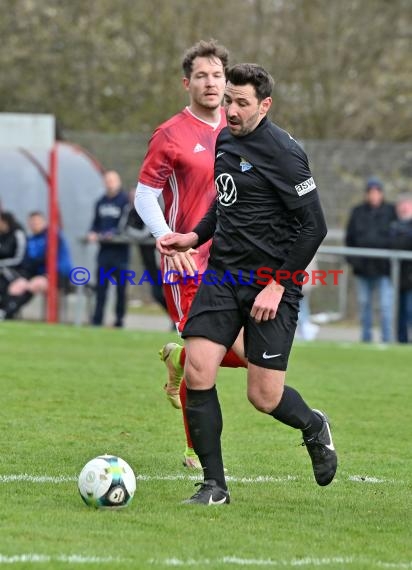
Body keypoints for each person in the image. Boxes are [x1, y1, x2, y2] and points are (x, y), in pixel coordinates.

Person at [158, 63, 337, 505]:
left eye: (241, 103)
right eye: (228, 101)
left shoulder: (284, 153)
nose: (231, 110)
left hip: (270, 285)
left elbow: (314, 226)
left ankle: (314, 426)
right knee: (198, 366)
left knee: (264, 395)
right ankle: (214, 487)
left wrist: (278, 284)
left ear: (265, 105)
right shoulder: (224, 138)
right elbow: (224, 203)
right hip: (222, 275)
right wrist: (194, 236)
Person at [135, 39, 247, 470]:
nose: (211, 82)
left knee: (251, 356)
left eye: (217, 74)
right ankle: (194, 452)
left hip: (233, 263)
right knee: (207, 360)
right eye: (201, 75)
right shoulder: (171, 134)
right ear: (187, 83)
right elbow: (145, 195)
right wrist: (166, 237)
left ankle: (177, 358)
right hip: (187, 262)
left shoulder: (240, 130)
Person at [345, 177, 397, 343]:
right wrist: (355, 262)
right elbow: (350, 239)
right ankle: (366, 339)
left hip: (384, 269)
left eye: (377, 192)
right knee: (364, 305)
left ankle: (386, 339)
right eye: (371, 192)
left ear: (381, 194)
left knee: (385, 306)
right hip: (363, 269)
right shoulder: (358, 212)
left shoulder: (391, 211)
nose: (374, 196)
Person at [0, 211, 71, 319]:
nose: (35, 224)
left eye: (37, 222)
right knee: (17, 285)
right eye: (32, 223)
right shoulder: (31, 240)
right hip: (38, 274)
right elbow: (29, 263)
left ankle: (8, 311)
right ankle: (7, 311)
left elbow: (46, 257)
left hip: (59, 274)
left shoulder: (53, 235)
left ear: (44, 222)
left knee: (34, 284)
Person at [88, 170, 130, 328]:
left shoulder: (125, 201)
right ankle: (97, 320)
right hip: (104, 253)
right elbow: (95, 223)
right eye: (107, 180)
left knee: (120, 290)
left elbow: (126, 224)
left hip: (120, 254)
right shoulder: (100, 202)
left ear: (118, 182)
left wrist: (112, 234)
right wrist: (93, 232)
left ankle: (119, 320)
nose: (110, 183)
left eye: (113, 180)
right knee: (101, 288)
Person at [125, 189, 168, 315]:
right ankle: (174, 318)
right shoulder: (130, 211)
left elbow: (147, 231)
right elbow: (124, 228)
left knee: (167, 292)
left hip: (161, 262)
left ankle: (178, 319)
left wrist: (134, 235)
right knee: (156, 293)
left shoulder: (154, 212)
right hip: (149, 263)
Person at [389, 193, 412, 343]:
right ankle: (402, 340)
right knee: (400, 312)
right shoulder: (393, 226)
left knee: (410, 310)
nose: (404, 208)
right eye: (401, 204)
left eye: (407, 204)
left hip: (409, 275)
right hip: (397, 277)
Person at [0, 211, 27, 311]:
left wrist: (1, 264)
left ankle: (6, 310)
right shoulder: (2, 236)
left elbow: (19, 258)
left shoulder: (18, 234)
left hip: (17, 271)